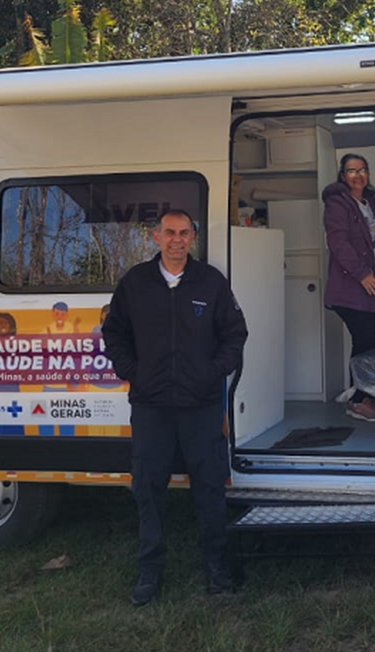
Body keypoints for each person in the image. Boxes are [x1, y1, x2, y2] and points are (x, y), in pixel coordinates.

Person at [101, 209, 249, 606]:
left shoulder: (211, 282)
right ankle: (150, 570)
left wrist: (212, 372)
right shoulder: (135, 283)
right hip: (151, 405)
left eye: (184, 233)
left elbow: (235, 334)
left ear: (192, 238)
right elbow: (113, 332)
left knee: (209, 487)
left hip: (200, 404)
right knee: (148, 489)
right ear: (155, 237)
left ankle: (217, 568)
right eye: (169, 232)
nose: (177, 240)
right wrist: (133, 372)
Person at [322, 153, 375, 423]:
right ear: (343, 176)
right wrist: (363, 274)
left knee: (368, 342)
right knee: (365, 342)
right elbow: (339, 244)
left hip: (372, 286)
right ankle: (357, 401)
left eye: (363, 170)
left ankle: (362, 394)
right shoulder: (337, 204)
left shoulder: (372, 204)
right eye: (352, 171)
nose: (358, 175)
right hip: (350, 286)